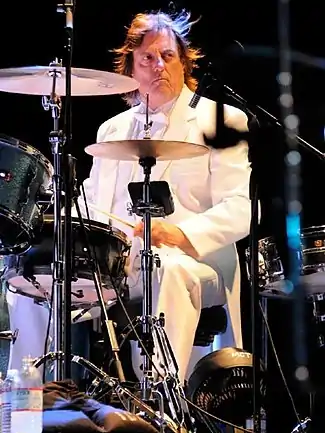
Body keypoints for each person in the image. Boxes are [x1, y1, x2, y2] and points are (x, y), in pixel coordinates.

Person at [77, 9, 252, 383]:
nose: (159, 66)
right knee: (34, 279)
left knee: (165, 267)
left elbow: (239, 210)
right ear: (132, 68)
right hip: (120, 267)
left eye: (167, 56)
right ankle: (28, 400)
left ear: (184, 61)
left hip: (194, 263)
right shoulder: (111, 130)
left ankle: (160, 403)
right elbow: (91, 203)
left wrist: (177, 234)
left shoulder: (220, 120)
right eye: (147, 58)